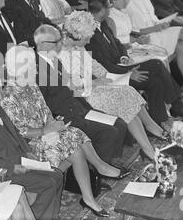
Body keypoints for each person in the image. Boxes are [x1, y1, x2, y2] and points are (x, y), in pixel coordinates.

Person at [1, 45, 132, 217]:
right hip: (30, 146)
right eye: (32, 65)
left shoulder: (31, 85)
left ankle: (89, 195)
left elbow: (45, 111)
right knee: (74, 141)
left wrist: (54, 125)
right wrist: (46, 130)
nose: (35, 69)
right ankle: (97, 174)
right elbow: (19, 132)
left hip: (46, 134)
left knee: (73, 138)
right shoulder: (8, 96)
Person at [59, 11, 168, 160]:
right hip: (80, 98)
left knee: (127, 91)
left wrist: (114, 77)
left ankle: (149, 138)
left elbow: (95, 66)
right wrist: (95, 82)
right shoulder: (61, 53)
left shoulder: (78, 46)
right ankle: (150, 141)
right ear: (78, 35)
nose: (89, 40)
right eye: (88, 37)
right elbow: (70, 87)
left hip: (92, 89)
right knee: (123, 98)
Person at [0, 73, 64, 220]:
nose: (1, 97)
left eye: (1, 92)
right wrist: (12, 167)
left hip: (22, 160)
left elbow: (16, 133)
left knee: (57, 175)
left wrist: (27, 151)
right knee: (48, 184)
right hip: (3, 169)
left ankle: (46, 217)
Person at [87, 0, 183, 125]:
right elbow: (102, 66)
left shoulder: (103, 24)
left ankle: (160, 121)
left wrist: (124, 56)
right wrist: (128, 74)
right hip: (115, 73)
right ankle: (176, 103)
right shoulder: (89, 33)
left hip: (122, 64)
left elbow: (117, 43)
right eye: (109, 7)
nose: (110, 10)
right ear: (102, 10)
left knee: (156, 82)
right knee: (156, 64)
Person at [34, 24, 128, 164]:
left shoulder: (54, 60)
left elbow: (71, 89)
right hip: (64, 117)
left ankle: (110, 165)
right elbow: (46, 105)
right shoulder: (36, 69)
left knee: (119, 123)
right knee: (109, 132)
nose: (61, 43)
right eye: (57, 41)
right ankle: (99, 175)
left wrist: (88, 109)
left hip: (77, 107)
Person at [107, 0, 183, 98]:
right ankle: (174, 98)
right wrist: (135, 41)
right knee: (159, 59)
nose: (127, 1)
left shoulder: (123, 12)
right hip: (125, 53)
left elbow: (129, 34)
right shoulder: (110, 18)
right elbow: (116, 44)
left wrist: (137, 40)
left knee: (179, 47)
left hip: (134, 45)